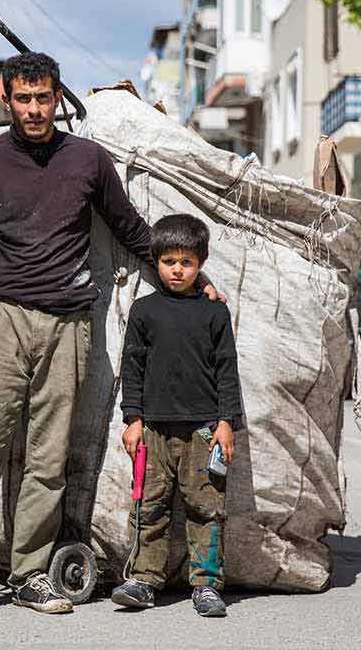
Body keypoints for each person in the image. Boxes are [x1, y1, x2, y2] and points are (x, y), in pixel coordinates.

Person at [0, 53, 221, 620]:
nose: (33, 109)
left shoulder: (87, 160)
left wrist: (196, 281)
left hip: (70, 323)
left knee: (48, 459)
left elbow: (130, 228)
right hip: (2, 319)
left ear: (57, 98)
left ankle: (29, 575)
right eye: (23, 99)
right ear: (7, 101)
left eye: (43, 98)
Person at [111, 213, 242, 618]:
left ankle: (206, 585)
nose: (178, 270)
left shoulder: (214, 313)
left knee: (206, 509)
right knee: (149, 506)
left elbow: (227, 369)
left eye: (187, 262)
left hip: (204, 431)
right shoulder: (144, 311)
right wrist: (132, 419)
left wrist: (226, 422)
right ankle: (144, 580)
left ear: (201, 263)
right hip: (152, 430)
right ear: (156, 262)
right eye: (169, 261)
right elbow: (132, 367)